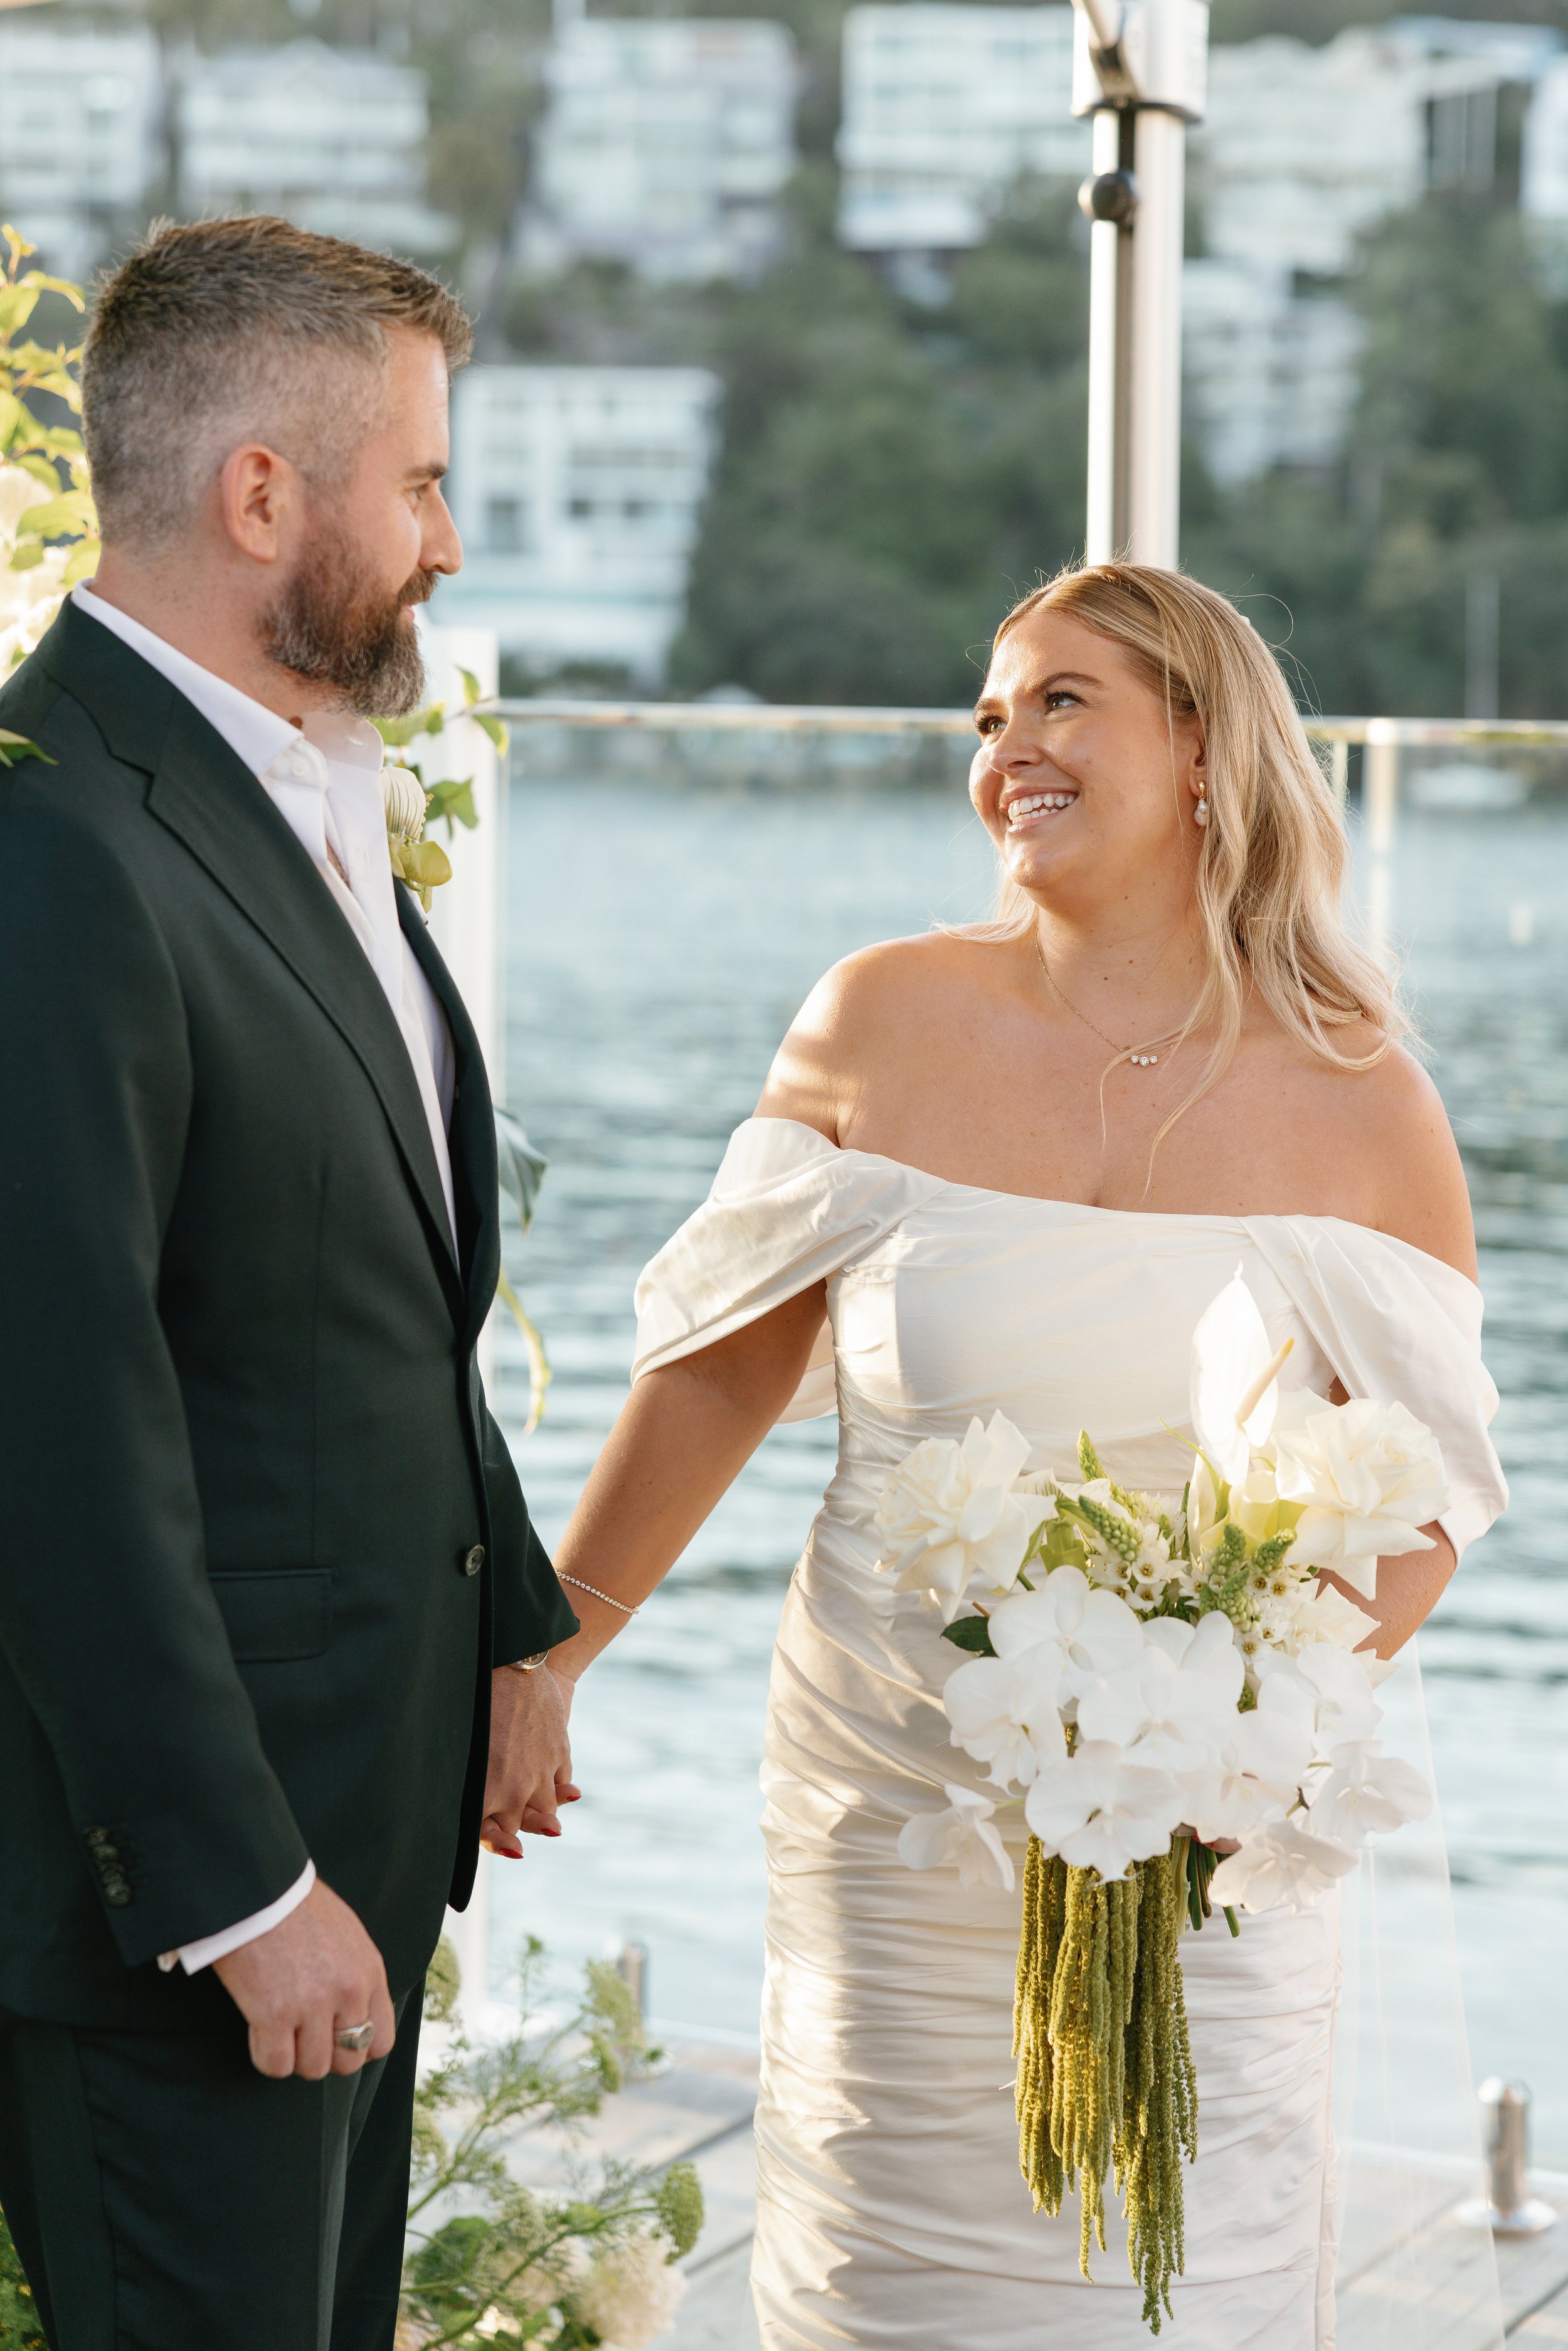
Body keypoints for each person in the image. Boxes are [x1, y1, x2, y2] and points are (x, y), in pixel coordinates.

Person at [541, 564, 1508, 2347]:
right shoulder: (878, 1018)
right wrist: (555, 1649)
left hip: (1198, 1854)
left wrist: (1236, 1740)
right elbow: (719, 1368)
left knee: (1165, 2295)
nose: (1007, 751)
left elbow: (1426, 1489)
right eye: (989, 717)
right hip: (889, 1812)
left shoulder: (1360, 1091)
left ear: (1204, 745)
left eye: (1063, 701)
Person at [0, 217, 578, 2351]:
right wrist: (241, 1892)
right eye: (418, 479)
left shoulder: (289, 791)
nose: (443, 537)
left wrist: (511, 1613)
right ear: (264, 494)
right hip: (190, 1904)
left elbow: (369, 1276)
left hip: (357, 1833)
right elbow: (60, 1415)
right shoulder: (54, 842)